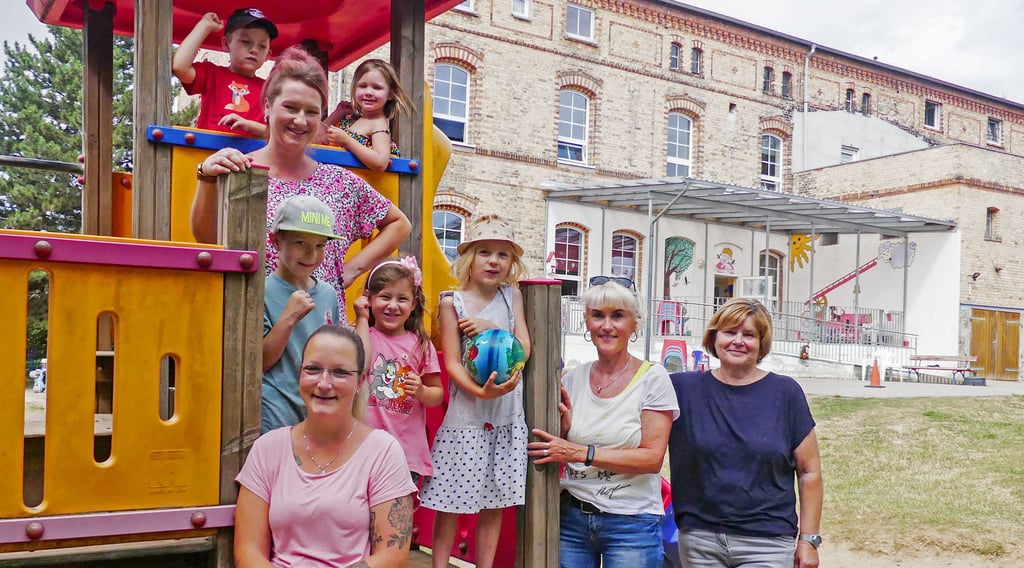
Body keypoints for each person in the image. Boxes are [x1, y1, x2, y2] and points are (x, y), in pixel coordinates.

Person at [190, 45, 412, 308]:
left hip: (324, 327)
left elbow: (399, 223)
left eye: (311, 112)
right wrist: (206, 177)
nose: (300, 120)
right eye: (291, 107)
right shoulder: (240, 170)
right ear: (268, 106)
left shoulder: (339, 182)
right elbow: (208, 239)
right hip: (254, 322)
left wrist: (350, 269)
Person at [528, 276, 679, 568]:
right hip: (571, 518)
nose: (606, 325)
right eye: (598, 315)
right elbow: (558, 447)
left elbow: (652, 459)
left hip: (631, 523)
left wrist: (579, 452)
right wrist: (564, 430)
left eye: (617, 316)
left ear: (634, 324)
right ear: (586, 321)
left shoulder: (653, 378)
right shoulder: (571, 379)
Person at [235, 325, 417, 567]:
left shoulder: (382, 452)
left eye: (339, 372)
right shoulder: (267, 449)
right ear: (300, 374)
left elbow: (393, 556)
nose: (323, 383)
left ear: (361, 381)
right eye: (312, 369)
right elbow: (248, 552)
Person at [668, 298, 823, 568]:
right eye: (730, 332)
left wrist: (808, 541)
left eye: (749, 335)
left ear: (761, 343)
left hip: (768, 543)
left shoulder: (785, 393)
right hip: (700, 541)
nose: (738, 341)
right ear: (714, 336)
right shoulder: (681, 390)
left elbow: (809, 471)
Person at [419, 215, 531, 568]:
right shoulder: (452, 302)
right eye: (485, 252)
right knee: (450, 502)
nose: (493, 261)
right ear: (469, 257)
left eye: (502, 254)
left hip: (505, 414)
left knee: (494, 503)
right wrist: (479, 393)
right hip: (467, 416)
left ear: (511, 263)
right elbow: (453, 362)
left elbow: (524, 348)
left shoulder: (512, 296)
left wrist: (491, 326)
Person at [353, 255, 444, 483]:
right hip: (360, 450)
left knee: (397, 508)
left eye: (402, 299)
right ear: (368, 299)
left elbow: (437, 394)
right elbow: (359, 362)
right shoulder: (358, 334)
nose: (393, 306)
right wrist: (362, 318)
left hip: (405, 455)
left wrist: (422, 391)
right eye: (385, 297)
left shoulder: (420, 345)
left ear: (413, 304)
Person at [261, 195, 341, 433]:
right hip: (275, 411)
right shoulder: (261, 292)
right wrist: (289, 317)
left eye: (320, 246)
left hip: (318, 410)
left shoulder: (328, 294)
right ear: (276, 241)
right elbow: (260, 361)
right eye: (300, 243)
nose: (311, 255)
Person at [172, 8, 277, 136]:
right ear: (226, 44)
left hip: (250, 149)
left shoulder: (270, 90)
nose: (254, 50)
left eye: (262, 46)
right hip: (208, 147)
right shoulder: (212, 74)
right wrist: (204, 25)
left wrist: (249, 126)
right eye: (246, 42)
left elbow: (277, 132)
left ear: (267, 55)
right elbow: (179, 67)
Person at [325, 59, 414, 171]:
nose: (368, 92)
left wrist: (347, 141)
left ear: (391, 94)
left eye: (377, 87)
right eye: (363, 86)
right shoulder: (351, 119)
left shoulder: (378, 123)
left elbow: (380, 162)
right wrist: (336, 114)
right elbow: (317, 136)